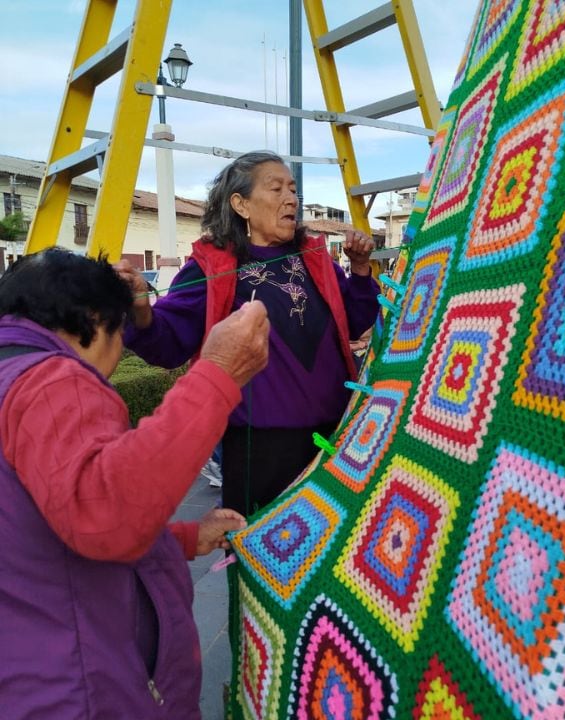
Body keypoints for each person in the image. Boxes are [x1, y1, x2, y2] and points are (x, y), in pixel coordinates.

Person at [0, 247, 268, 717]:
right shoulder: (50, 380)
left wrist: (185, 537)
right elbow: (103, 511)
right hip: (82, 691)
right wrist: (219, 374)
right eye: (122, 331)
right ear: (94, 319)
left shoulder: (12, 376)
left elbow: (41, 526)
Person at [118, 151, 379, 516]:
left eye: (293, 190)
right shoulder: (214, 266)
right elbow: (169, 341)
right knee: (269, 557)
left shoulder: (315, 258)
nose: (291, 199)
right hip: (262, 448)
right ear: (240, 204)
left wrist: (361, 268)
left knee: (335, 547)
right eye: (276, 189)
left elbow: (352, 321)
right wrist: (141, 312)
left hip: (337, 435)